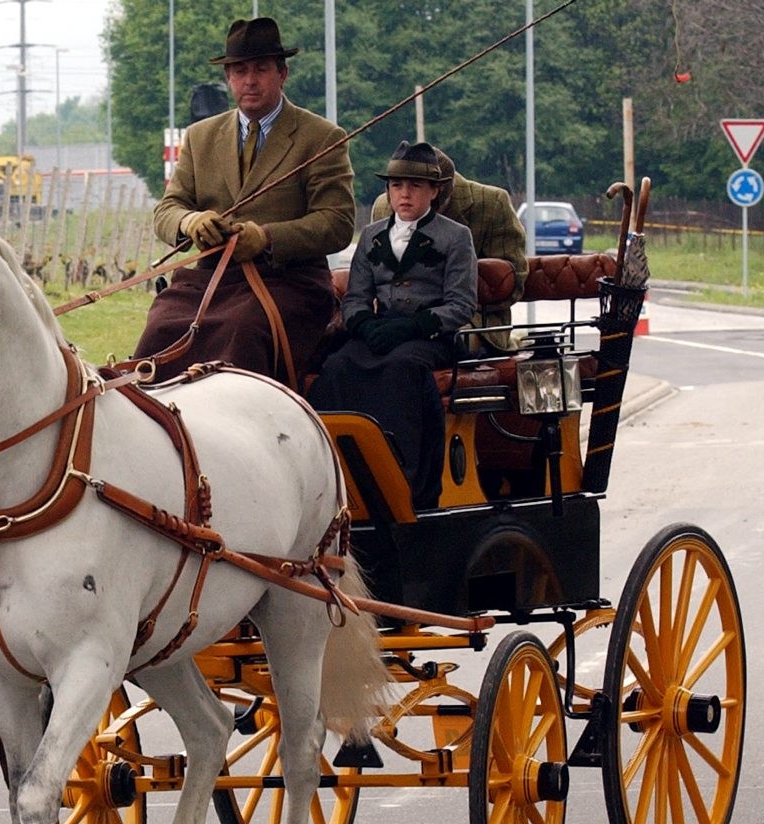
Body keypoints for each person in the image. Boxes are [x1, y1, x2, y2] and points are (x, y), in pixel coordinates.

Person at [130, 16, 355, 386]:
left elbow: (337, 223)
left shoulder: (321, 137)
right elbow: (167, 210)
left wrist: (266, 238)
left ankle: (248, 433)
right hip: (209, 283)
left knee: (241, 329)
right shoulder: (200, 137)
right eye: (239, 71)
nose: (249, 80)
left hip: (288, 283)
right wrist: (190, 222)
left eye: (261, 69)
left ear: (282, 74)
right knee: (161, 327)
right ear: (228, 78)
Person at [308, 141, 476, 510]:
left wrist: (413, 326)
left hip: (429, 335)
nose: (405, 194)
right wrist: (365, 323)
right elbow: (354, 297)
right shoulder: (371, 235)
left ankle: (403, 478)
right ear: (388, 191)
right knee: (338, 365)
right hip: (380, 329)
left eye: (415, 186)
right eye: (397, 186)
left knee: (401, 369)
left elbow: (461, 305)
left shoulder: (455, 237)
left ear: (434, 191)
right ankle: (335, 473)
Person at [371, 146, 528, 350]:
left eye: (419, 188)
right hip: (397, 316)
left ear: (439, 191)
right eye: (397, 185)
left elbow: (515, 280)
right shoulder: (386, 206)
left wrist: (450, 302)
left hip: (474, 319)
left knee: (432, 343)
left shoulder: (492, 203)